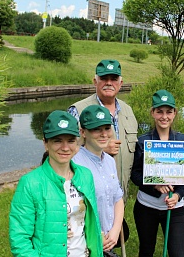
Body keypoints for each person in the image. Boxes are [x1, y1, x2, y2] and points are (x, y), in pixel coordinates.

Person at [9, 110, 103, 257]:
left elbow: (91, 225)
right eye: (57, 140)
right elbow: (19, 240)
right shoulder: (30, 183)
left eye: (71, 140)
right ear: (45, 143)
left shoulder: (85, 176)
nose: (65, 147)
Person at [130, 89, 184, 257]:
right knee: (146, 250)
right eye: (160, 112)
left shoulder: (183, 141)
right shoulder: (143, 142)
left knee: (177, 253)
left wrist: (178, 194)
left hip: (175, 207)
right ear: (153, 113)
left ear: (175, 113)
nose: (164, 116)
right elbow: (135, 174)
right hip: (146, 207)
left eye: (169, 112)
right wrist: (154, 185)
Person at [68, 59, 138, 200]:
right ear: (95, 81)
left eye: (114, 79)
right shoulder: (78, 110)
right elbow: (64, 152)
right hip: (88, 198)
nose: (109, 83)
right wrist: (98, 150)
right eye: (104, 78)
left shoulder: (128, 111)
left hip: (119, 196)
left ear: (120, 83)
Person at [73, 105, 124, 256]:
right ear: (83, 132)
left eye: (107, 128)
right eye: (96, 129)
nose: (103, 134)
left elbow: (117, 198)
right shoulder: (75, 165)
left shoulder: (109, 161)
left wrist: (115, 230)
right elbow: (75, 210)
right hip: (86, 243)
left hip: (109, 241)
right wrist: (97, 235)